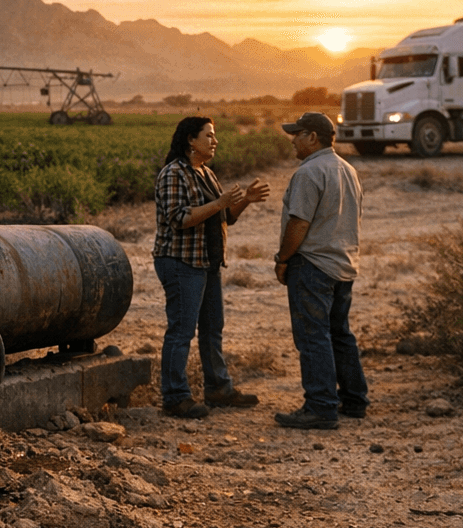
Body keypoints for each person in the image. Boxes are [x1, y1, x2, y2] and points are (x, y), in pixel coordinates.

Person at [152, 116, 270, 418]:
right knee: (181, 331)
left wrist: (245, 201)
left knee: (212, 329)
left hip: (207, 261)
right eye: (209, 136)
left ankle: (218, 388)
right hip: (181, 262)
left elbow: (226, 217)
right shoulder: (173, 174)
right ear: (192, 140)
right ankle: (175, 396)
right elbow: (179, 219)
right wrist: (219, 203)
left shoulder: (205, 172)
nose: (215, 141)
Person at [273, 111, 368, 430]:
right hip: (343, 264)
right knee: (340, 333)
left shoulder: (308, 172)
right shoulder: (348, 169)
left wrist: (283, 258)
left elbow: (299, 223)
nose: (293, 141)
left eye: (297, 135)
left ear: (313, 137)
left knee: (313, 336)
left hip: (312, 264)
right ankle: (353, 399)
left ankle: (321, 406)